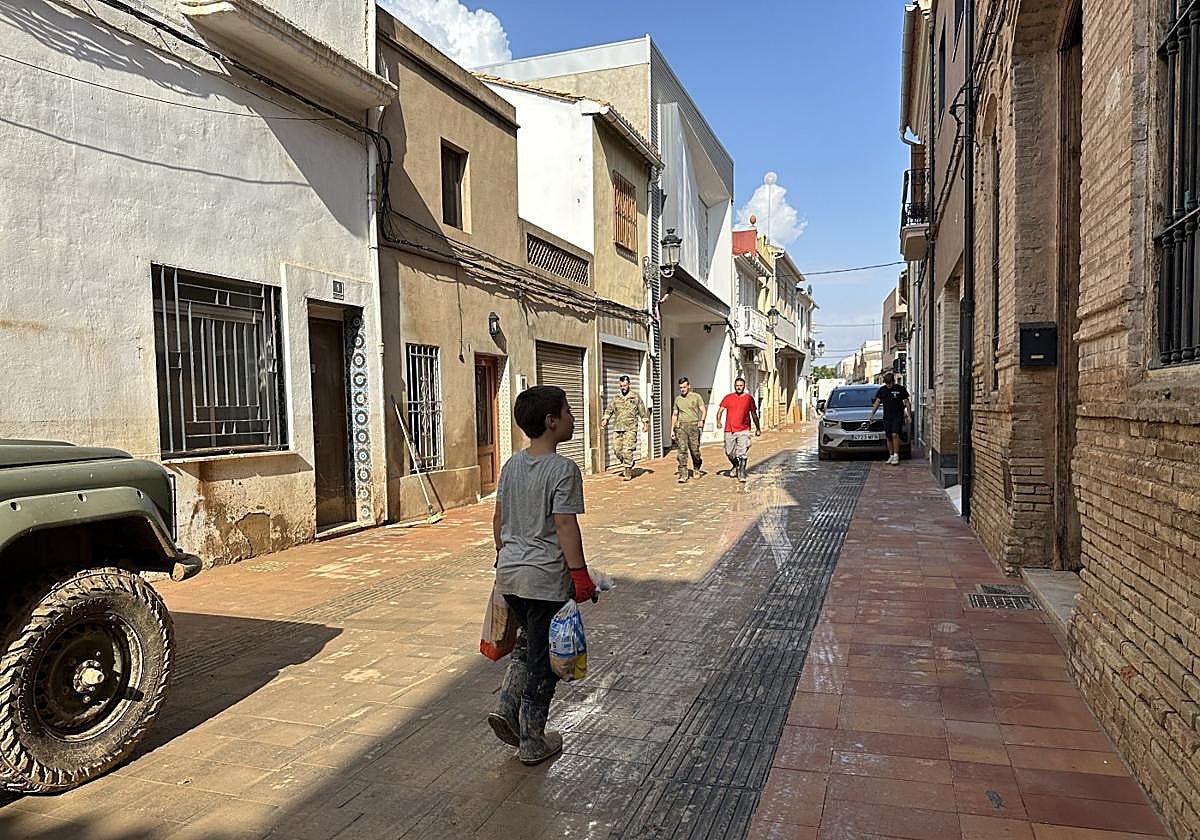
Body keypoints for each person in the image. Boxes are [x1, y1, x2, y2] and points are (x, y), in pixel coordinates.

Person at [488, 385, 597, 765]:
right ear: (551, 422)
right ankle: (533, 738)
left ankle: (506, 706)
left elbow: (498, 520)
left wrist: (505, 560)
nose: (572, 417)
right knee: (545, 661)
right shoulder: (563, 469)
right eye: (567, 411)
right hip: (545, 582)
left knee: (527, 645)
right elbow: (565, 525)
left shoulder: (511, 465)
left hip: (511, 578)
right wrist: (580, 575)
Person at [600, 375, 649, 481]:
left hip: (631, 428)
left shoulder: (635, 397)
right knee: (617, 450)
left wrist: (645, 423)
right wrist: (605, 419)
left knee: (627, 450)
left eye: (625, 385)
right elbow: (609, 410)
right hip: (618, 428)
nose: (623, 388)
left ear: (629, 385)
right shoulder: (616, 398)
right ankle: (629, 462)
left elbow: (642, 411)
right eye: (621, 386)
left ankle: (627, 471)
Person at [716, 377, 761, 483]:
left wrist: (758, 428)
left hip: (743, 430)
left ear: (744, 386)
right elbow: (720, 410)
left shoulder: (749, 398)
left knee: (742, 453)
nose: (739, 387)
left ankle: (741, 473)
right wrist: (718, 421)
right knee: (729, 452)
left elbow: (754, 414)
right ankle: (736, 465)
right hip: (729, 429)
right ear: (734, 386)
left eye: (741, 385)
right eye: (737, 386)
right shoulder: (728, 397)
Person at [868, 372, 912, 465]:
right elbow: (877, 402)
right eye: (887, 383)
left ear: (893, 381)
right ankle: (891, 455)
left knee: (895, 434)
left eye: (890, 383)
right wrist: (872, 414)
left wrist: (909, 415)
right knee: (888, 437)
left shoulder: (900, 389)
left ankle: (896, 455)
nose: (888, 385)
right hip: (887, 416)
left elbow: (907, 402)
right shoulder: (882, 390)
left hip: (898, 415)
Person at [671, 377, 707, 483]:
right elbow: (674, 415)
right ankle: (683, 473)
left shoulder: (696, 397)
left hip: (694, 427)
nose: (682, 389)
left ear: (689, 386)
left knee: (695, 451)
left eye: (684, 387)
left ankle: (696, 467)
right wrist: (672, 430)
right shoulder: (678, 399)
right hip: (681, 427)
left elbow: (703, 410)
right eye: (681, 388)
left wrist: (702, 420)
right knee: (682, 450)